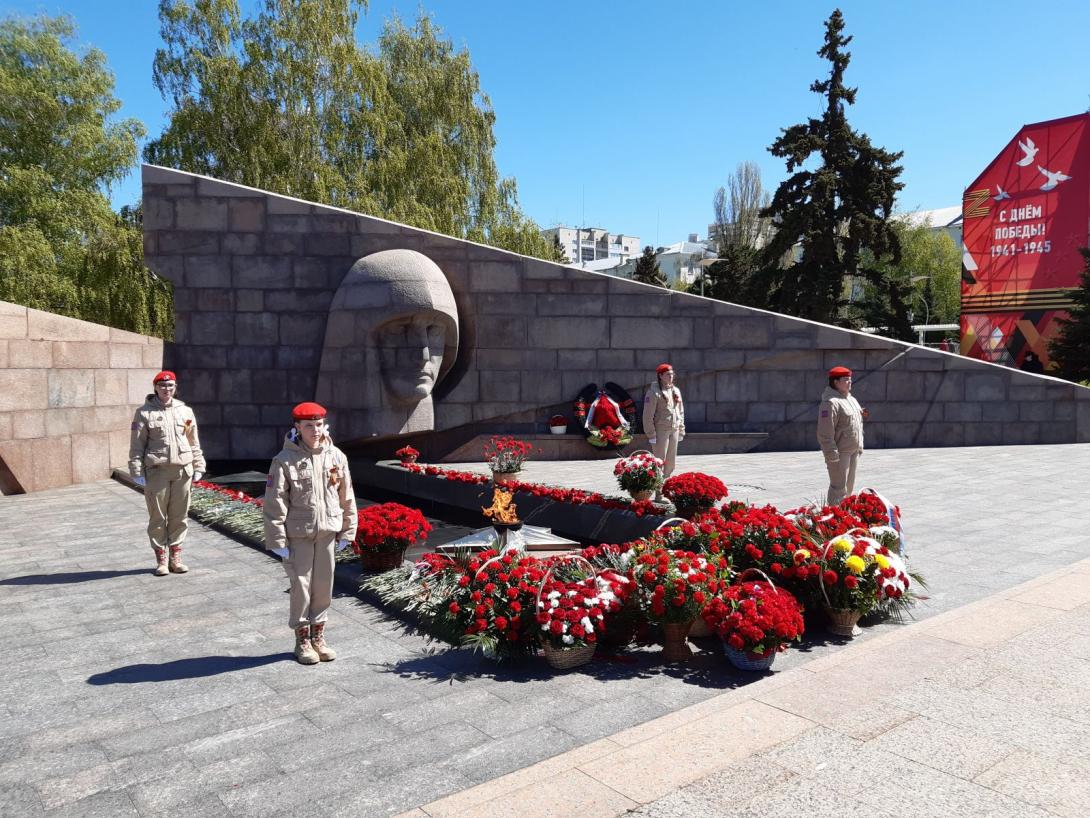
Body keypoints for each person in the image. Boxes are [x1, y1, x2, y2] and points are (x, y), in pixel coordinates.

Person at [263, 402, 357, 665]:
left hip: (327, 532)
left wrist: (348, 530)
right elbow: (275, 502)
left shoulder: (336, 456)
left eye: (319, 425)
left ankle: (319, 636)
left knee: (323, 587)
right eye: (308, 426)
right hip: (298, 535)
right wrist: (278, 540)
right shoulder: (283, 460)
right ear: (297, 427)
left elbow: (346, 495)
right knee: (301, 587)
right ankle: (302, 639)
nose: (315, 431)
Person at [128, 371, 205, 576]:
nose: (166, 389)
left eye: (170, 386)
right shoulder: (144, 413)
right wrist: (136, 469)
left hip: (182, 470)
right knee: (158, 516)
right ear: (155, 387)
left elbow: (193, 441)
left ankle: (176, 558)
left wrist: (199, 465)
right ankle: (161, 559)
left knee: (179, 516)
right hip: (157, 471)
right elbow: (137, 445)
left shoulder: (185, 411)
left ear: (175, 387)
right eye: (162, 386)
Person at [817, 366, 867, 506]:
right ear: (836, 382)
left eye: (850, 379)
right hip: (840, 454)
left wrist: (860, 445)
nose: (850, 382)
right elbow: (824, 433)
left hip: (853, 451)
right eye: (846, 380)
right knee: (838, 488)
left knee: (849, 488)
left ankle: (846, 516)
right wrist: (831, 455)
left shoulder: (851, 399)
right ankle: (834, 519)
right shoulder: (830, 403)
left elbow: (859, 423)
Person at [642, 363, 686, 496]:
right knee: (659, 462)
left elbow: (681, 411)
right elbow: (647, 415)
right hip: (660, 430)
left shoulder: (675, 391)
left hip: (674, 429)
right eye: (668, 374)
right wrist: (651, 434)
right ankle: (657, 493)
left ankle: (663, 489)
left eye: (672, 374)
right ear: (660, 376)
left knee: (671, 463)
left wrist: (681, 428)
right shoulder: (654, 392)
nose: (671, 376)